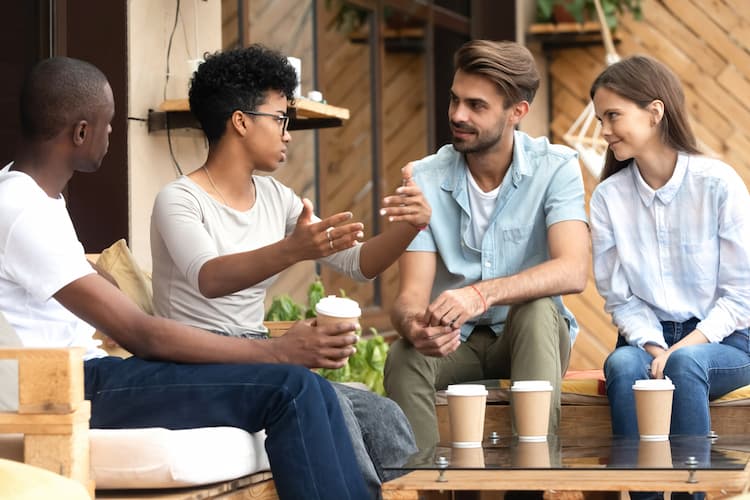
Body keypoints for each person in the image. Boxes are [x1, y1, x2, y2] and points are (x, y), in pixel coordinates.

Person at [0, 56, 370, 500]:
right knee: (291, 389)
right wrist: (276, 351)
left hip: (90, 377)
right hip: (72, 388)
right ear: (81, 132)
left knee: (313, 392)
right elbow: (141, 333)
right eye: (109, 124)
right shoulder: (21, 210)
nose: (113, 134)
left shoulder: (36, 200)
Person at [149, 45, 425, 499]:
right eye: (280, 118)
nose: (288, 133)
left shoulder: (277, 198)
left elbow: (360, 264)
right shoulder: (179, 199)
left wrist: (411, 226)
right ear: (240, 121)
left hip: (257, 354)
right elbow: (209, 277)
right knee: (329, 404)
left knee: (381, 413)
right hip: (196, 361)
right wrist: (293, 249)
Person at [383, 39, 590, 450]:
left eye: (476, 106)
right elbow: (409, 298)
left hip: (529, 339)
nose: (458, 115)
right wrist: (414, 327)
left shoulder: (556, 168)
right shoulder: (424, 179)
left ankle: (530, 485)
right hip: (454, 343)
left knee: (534, 308)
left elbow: (573, 270)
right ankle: (425, 488)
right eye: (455, 100)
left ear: (517, 112)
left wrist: (480, 295)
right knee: (404, 357)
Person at [589, 55, 750, 500]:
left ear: (655, 112)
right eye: (601, 118)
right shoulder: (607, 199)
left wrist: (681, 349)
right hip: (646, 341)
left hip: (727, 343)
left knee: (686, 364)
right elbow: (619, 298)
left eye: (613, 116)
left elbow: (741, 296)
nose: (604, 130)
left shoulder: (719, 183)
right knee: (622, 365)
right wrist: (656, 346)